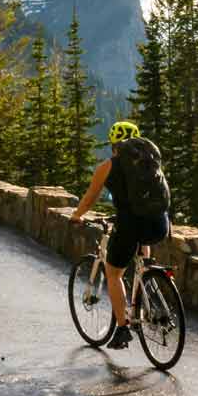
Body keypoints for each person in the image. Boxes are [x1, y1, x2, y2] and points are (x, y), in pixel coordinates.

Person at [68, 120, 171, 348]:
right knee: (141, 255)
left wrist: (76, 216)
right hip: (160, 224)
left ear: (114, 143)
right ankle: (147, 276)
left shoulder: (107, 166)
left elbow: (90, 197)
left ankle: (123, 329)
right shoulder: (150, 162)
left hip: (131, 225)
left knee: (114, 273)